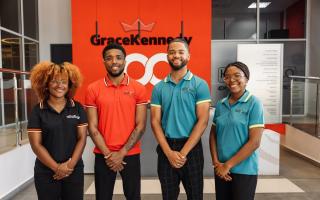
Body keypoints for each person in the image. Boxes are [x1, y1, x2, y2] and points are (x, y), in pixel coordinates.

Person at [85, 43, 148, 200]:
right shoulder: (93, 89)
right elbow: (92, 128)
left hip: (130, 153)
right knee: (103, 197)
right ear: (104, 61)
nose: (114, 61)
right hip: (103, 154)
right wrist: (109, 154)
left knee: (133, 197)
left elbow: (140, 126)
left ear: (125, 61)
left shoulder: (138, 88)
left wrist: (122, 153)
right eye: (109, 58)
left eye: (119, 58)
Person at [150, 38, 211, 200]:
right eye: (172, 52)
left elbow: (203, 120)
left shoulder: (200, 84)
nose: (176, 55)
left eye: (180, 52)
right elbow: (155, 121)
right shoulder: (158, 88)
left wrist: (182, 153)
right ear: (167, 56)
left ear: (188, 56)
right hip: (166, 147)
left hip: (192, 148)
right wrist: (169, 153)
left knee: (195, 196)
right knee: (168, 196)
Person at [27, 61, 88, 200]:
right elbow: (36, 145)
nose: (59, 85)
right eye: (54, 81)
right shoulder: (38, 111)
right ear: (46, 85)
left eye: (64, 81)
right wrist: (56, 168)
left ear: (69, 85)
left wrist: (69, 166)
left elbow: (82, 139)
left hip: (73, 169)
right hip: (46, 171)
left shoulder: (77, 107)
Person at [209, 61, 265, 200]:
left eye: (237, 75)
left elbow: (254, 142)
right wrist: (217, 163)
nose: (231, 80)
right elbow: (213, 135)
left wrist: (228, 165)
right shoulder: (221, 104)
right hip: (221, 169)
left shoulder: (254, 103)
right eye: (227, 76)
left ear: (246, 79)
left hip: (244, 171)